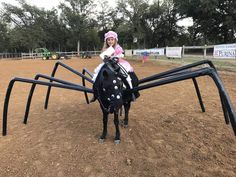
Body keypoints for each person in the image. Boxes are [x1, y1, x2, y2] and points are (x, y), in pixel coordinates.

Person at [91, 31, 137, 102]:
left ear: (115, 40)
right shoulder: (105, 49)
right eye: (108, 40)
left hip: (118, 63)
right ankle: (95, 93)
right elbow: (103, 58)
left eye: (112, 39)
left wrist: (115, 56)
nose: (110, 41)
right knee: (96, 76)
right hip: (108, 64)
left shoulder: (118, 47)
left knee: (126, 76)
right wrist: (105, 58)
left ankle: (131, 92)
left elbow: (121, 55)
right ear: (106, 41)